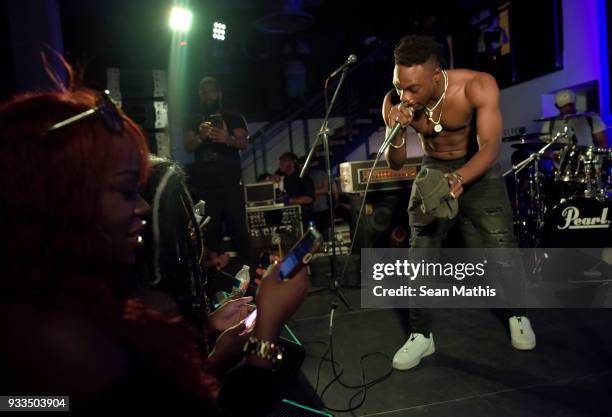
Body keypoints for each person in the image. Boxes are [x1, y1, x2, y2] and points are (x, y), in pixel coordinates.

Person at [0, 77, 310, 414]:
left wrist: (211, 351)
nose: (144, 208)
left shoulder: (84, 304)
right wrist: (266, 332)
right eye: (125, 190)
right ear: (58, 200)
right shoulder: (61, 344)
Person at [383, 35, 536, 371]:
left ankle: (517, 315)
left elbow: (490, 147)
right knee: (420, 253)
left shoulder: (477, 86)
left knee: (501, 247)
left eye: (413, 89)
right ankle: (422, 335)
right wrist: (395, 131)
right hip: (432, 169)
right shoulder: (394, 102)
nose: (405, 96)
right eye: (399, 86)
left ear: (436, 76)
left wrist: (461, 178)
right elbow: (395, 164)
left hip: (476, 165)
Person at [185, 76, 251, 270]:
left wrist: (226, 138)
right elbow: (188, 146)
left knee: (240, 234)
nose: (208, 95)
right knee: (208, 238)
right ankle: (212, 282)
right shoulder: (194, 119)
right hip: (205, 189)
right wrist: (200, 137)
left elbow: (244, 143)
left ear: (219, 93)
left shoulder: (234, 117)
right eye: (203, 92)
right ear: (199, 95)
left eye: (211, 91)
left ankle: (248, 279)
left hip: (231, 187)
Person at [541, 89, 608, 148]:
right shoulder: (550, 122)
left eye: (570, 104)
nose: (568, 108)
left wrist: (598, 159)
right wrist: (552, 155)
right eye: (564, 106)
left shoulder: (590, 116)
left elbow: (602, 141)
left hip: (587, 159)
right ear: (557, 106)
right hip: (561, 161)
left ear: (575, 101)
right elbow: (544, 146)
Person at [276, 152, 315, 228]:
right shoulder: (284, 178)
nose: (280, 163)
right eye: (280, 161)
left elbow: (309, 199)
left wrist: (287, 200)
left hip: (304, 219)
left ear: (293, 162)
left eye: (284, 160)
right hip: (288, 219)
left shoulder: (303, 177)